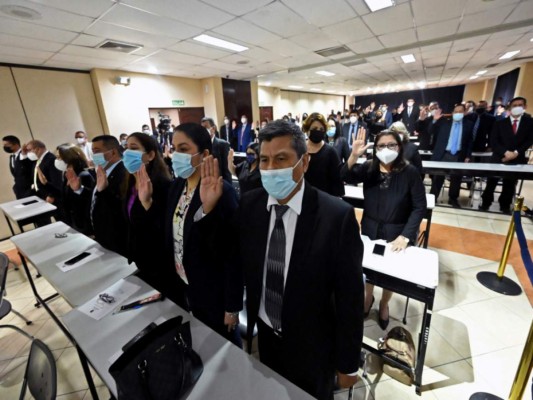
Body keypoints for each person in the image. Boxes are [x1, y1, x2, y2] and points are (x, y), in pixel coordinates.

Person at [200, 119, 364, 400]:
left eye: (281, 159)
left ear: (304, 163)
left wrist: (348, 362)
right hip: (266, 334)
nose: (271, 169)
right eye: (264, 160)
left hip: (313, 345)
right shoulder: (251, 205)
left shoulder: (336, 217)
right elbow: (226, 255)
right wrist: (209, 209)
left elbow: (350, 297)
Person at [136, 123, 243, 345]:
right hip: (184, 284)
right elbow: (171, 232)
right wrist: (147, 203)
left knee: (224, 347)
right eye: (174, 149)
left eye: (184, 149)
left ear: (204, 154)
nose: (176, 155)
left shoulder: (222, 192)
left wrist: (232, 307)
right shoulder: (177, 187)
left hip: (213, 290)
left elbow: (232, 253)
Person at [341, 129, 426, 330]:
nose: (386, 149)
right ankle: (368, 297)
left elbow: (419, 206)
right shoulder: (370, 168)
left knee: (390, 273)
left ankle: (384, 303)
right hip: (370, 227)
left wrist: (405, 236)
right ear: (375, 149)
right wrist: (354, 155)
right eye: (381, 146)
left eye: (391, 145)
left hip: (397, 231)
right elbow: (344, 176)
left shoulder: (410, 172)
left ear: (399, 147)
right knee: (369, 266)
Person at [120, 132, 181, 301]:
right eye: (126, 148)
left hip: (160, 262)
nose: (127, 153)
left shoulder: (163, 185)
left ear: (151, 155)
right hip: (141, 257)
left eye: (133, 148)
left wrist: (148, 203)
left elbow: (166, 228)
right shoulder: (130, 183)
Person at [71, 135, 128, 256]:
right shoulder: (102, 171)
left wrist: (104, 191)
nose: (93, 155)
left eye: (97, 151)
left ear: (113, 152)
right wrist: (79, 190)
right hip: (102, 235)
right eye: (92, 151)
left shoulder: (124, 173)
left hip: (118, 238)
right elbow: (96, 198)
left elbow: (120, 206)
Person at [480, 97, 533, 213]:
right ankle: (485, 202)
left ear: (525, 107)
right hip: (499, 156)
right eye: (514, 105)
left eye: (520, 104)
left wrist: (515, 153)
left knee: (510, 183)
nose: (517, 107)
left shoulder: (529, 123)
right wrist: (505, 152)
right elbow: (493, 141)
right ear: (510, 107)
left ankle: (505, 204)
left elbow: (529, 140)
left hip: (517, 157)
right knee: (491, 182)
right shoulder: (499, 123)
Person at [429, 103, 474, 208]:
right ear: (453, 113)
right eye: (456, 111)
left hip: (459, 155)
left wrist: (468, 156)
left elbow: (470, 141)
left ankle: (453, 199)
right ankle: (433, 197)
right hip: (443, 154)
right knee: (438, 178)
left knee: (456, 178)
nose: (458, 113)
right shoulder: (444, 122)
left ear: (464, 113)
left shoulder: (469, 124)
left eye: (460, 112)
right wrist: (435, 120)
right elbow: (431, 131)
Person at [302, 113, 344, 196]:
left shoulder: (331, 152)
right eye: (314, 128)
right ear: (307, 130)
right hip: (302, 198)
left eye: (321, 129)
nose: (318, 131)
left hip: (324, 200)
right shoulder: (299, 150)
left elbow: (337, 181)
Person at [56, 143, 95, 235]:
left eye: (59, 157)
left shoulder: (83, 174)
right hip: (73, 221)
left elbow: (90, 199)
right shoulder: (67, 175)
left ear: (68, 158)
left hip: (84, 223)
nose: (57, 160)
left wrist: (79, 189)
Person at [25, 140, 63, 205]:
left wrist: (51, 195)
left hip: (52, 197)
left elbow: (57, 180)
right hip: (41, 196)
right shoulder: (37, 160)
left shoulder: (51, 159)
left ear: (38, 149)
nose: (28, 153)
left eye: (29, 150)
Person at [201, 117, 231, 182]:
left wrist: (228, 188)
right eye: (202, 129)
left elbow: (226, 170)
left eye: (206, 128)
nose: (204, 131)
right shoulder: (200, 146)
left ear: (213, 128)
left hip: (219, 182)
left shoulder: (223, 144)